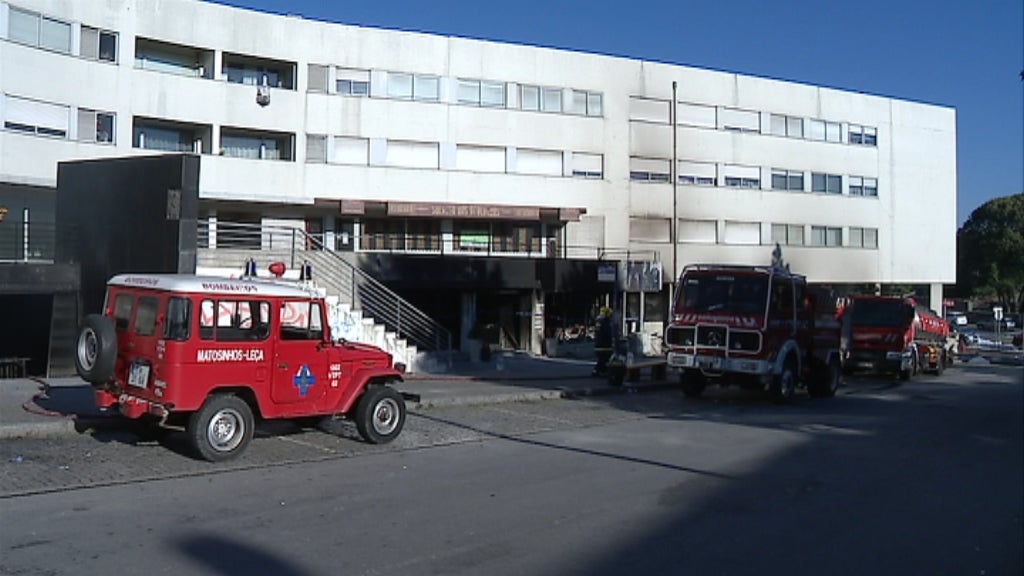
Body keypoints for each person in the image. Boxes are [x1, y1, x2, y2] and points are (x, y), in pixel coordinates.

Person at [592, 306, 614, 376]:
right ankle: (597, 370)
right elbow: (608, 332)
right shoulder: (605, 322)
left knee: (603, 359)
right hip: (605, 345)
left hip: (599, 344)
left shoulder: (598, 321)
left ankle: (603, 370)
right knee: (603, 359)